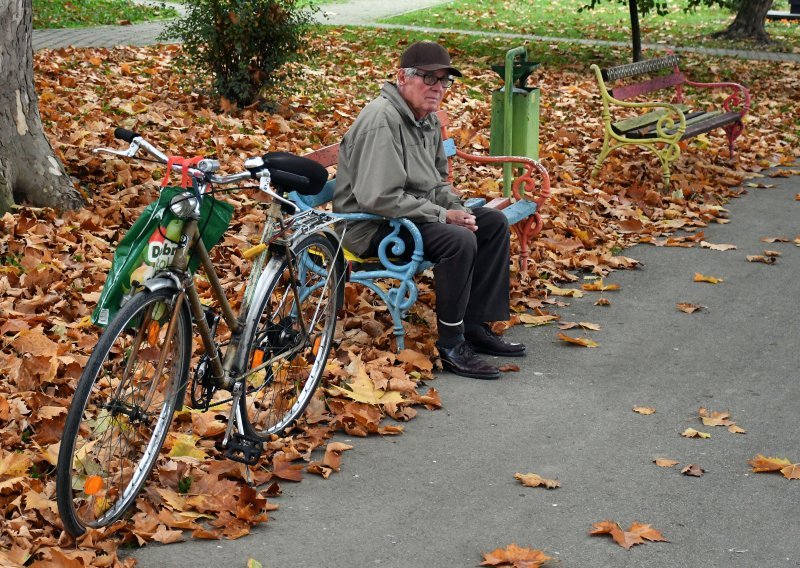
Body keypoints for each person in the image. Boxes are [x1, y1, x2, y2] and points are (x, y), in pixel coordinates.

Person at [333, 40, 525, 380]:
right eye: (428, 78)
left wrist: (456, 208)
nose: (437, 88)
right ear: (402, 78)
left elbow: (436, 182)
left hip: (406, 217)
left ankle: (474, 326)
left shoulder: (426, 120)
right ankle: (451, 344)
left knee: (491, 222)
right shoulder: (383, 121)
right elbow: (378, 198)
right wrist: (443, 216)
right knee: (457, 240)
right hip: (370, 226)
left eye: (444, 81)